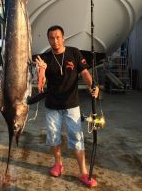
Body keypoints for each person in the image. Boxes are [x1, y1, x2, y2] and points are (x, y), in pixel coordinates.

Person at [35, 25, 99, 188]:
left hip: (72, 104)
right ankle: (58, 164)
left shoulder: (74, 52)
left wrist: (93, 86)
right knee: (53, 136)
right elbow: (41, 85)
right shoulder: (45, 58)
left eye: (57, 37)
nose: (55, 41)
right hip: (52, 105)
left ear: (63, 38)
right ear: (48, 39)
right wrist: (40, 71)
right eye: (51, 38)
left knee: (76, 138)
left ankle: (83, 172)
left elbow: (84, 72)